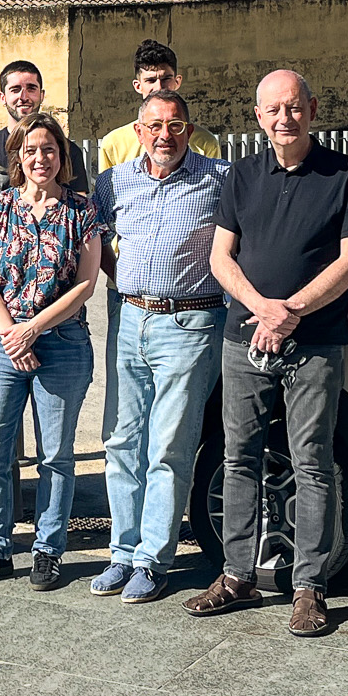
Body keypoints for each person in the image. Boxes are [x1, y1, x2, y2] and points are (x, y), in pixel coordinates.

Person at [187, 69, 348, 637]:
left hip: (314, 342)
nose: (283, 119)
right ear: (259, 117)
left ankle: (309, 588)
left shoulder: (346, 175)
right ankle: (236, 575)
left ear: (312, 109)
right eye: (272, 110)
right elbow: (221, 258)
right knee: (238, 457)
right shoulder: (241, 175)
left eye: (293, 107)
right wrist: (263, 309)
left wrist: (290, 311)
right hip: (244, 340)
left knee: (312, 462)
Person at [88, 90, 228, 604]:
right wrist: (121, 277)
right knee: (122, 441)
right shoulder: (114, 181)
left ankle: (152, 560)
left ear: (189, 130)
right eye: (154, 126)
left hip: (190, 322)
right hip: (129, 318)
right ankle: (122, 553)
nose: (164, 135)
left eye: (175, 126)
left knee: (169, 446)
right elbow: (94, 237)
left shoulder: (220, 179)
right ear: (139, 130)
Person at [0, 112, 101, 593]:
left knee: (55, 456)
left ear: (62, 156)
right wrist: (10, 335)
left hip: (62, 344)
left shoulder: (82, 211)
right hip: (2, 345)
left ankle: (48, 551)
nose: (41, 158)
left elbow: (85, 284)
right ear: (18, 156)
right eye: (31, 150)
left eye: (49, 149)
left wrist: (33, 329)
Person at [95, 40, 223, 172]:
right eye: (150, 80)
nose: (159, 87)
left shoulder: (206, 143)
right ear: (138, 86)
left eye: (166, 79)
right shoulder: (113, 144)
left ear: (177, 81)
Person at [0, 60, 89, 192]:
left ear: (42, 95)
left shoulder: (68, 150)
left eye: (31, 89)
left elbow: (79, 200)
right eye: (15, 90)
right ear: (2, 98)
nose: (23, 97)